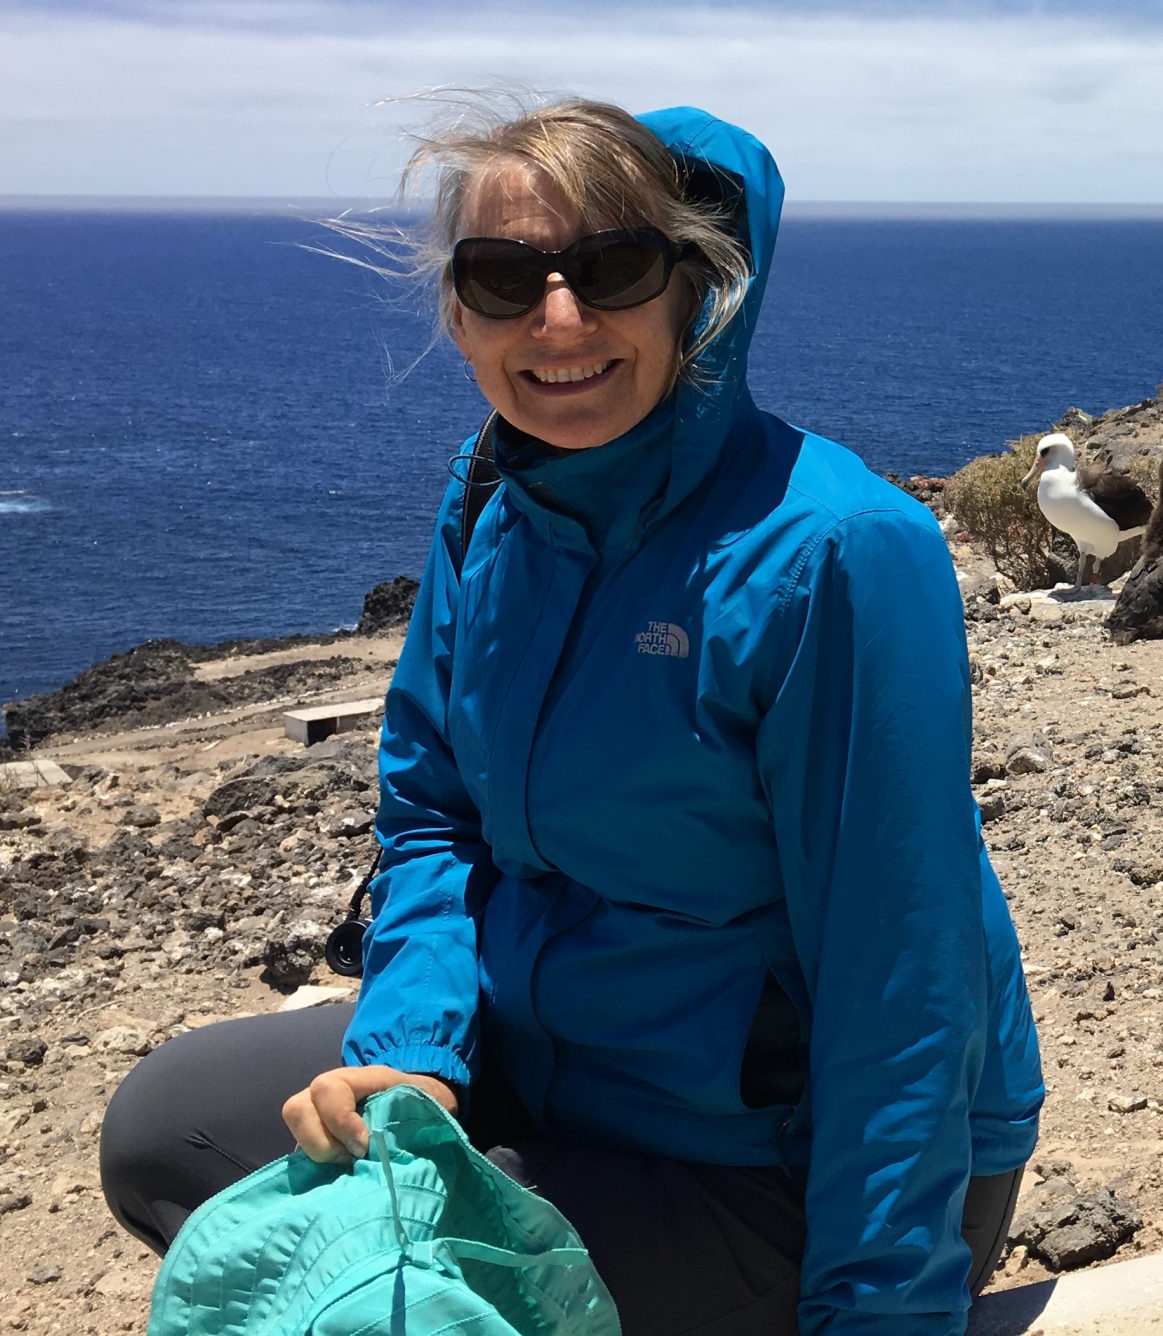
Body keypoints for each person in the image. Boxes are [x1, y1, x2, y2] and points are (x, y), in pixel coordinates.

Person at [99, 99, 1046, 1335]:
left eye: (613, 269)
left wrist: (877, 1309)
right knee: (170, 1129)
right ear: (459, 310)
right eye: (505, 277)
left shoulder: (837, 553)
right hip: (552, 1066)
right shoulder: (494, 497)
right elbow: (432, 806)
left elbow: (901, 978)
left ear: (696, 293)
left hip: (778, 1162)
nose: (559, 320)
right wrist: (412, 1054)